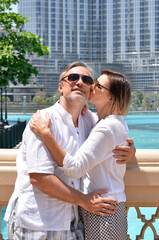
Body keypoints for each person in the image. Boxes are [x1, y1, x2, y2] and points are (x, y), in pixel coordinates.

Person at [5, 61, 135, 240]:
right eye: (73, 77)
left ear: (90, 90)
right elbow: (39, 177)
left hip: (74, 223)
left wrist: (130, 149)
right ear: (61, 86)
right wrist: (84, 200)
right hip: (39, 223)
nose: (80, 82)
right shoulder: (43, 121)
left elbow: (114, 130)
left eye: (88, 80)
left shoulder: (91, 120)